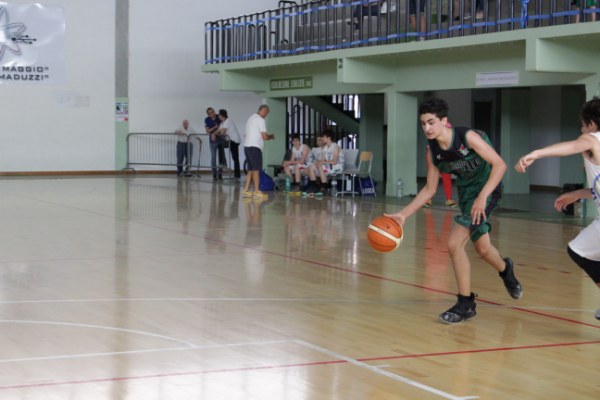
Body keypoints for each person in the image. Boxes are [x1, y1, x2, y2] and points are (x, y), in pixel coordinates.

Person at [386, 97, 522, 324]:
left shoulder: (467, 137)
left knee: (454, 244)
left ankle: (466, 304)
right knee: (483, 249)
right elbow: (430, 189)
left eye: (431, 122)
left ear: (444, 121)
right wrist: (403, 215)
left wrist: (483, 197)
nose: (427, 128)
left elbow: (500, 165)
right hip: (467, 194)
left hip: (489, 190)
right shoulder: (433, 152)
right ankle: (505, 269)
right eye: (423, 124)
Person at [515, 96, 600, 320]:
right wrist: (577, 194)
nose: (581, 130)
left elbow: (571, 146)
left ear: (591, 124)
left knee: (578, 251)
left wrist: (536, 154)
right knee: (578, 249)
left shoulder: (591, 139)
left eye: (583, 125)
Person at [243, 105, 275, 199]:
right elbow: (264, 136)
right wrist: (271, 136)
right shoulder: (260, 120)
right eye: (266, 113)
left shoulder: (250, 118)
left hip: (247, 146)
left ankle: (246, 190)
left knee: (250, 169)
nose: (266, 115)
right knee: (256, 169)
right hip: (255, 147)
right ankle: (257, 191)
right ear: (263, 110)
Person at [217, 109, 242, 180]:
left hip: (234, 141)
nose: (218, 116)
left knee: (235, 157)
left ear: (222, 115)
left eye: (219, 114)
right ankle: (223, 162)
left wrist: (218, 132)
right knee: (220, 146)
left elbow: (222, 132)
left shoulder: (228, 121)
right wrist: (215, 133)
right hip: (230, 140)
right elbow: (218, 131)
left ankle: (237, 175)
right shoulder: (222, 123)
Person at [205, 107, 226, 181]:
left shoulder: (219, 117)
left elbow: (223, 127)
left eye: (213, 111)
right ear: (208, 114)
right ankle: (214, 174)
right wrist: (215, 127)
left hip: (220, 140)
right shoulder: (207, 119)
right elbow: (207, 131)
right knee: (213, 157)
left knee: (221, 157)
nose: (212, 113)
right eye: (210, 113)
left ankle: (220, 174)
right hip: (212, 141)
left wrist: (214, 132)